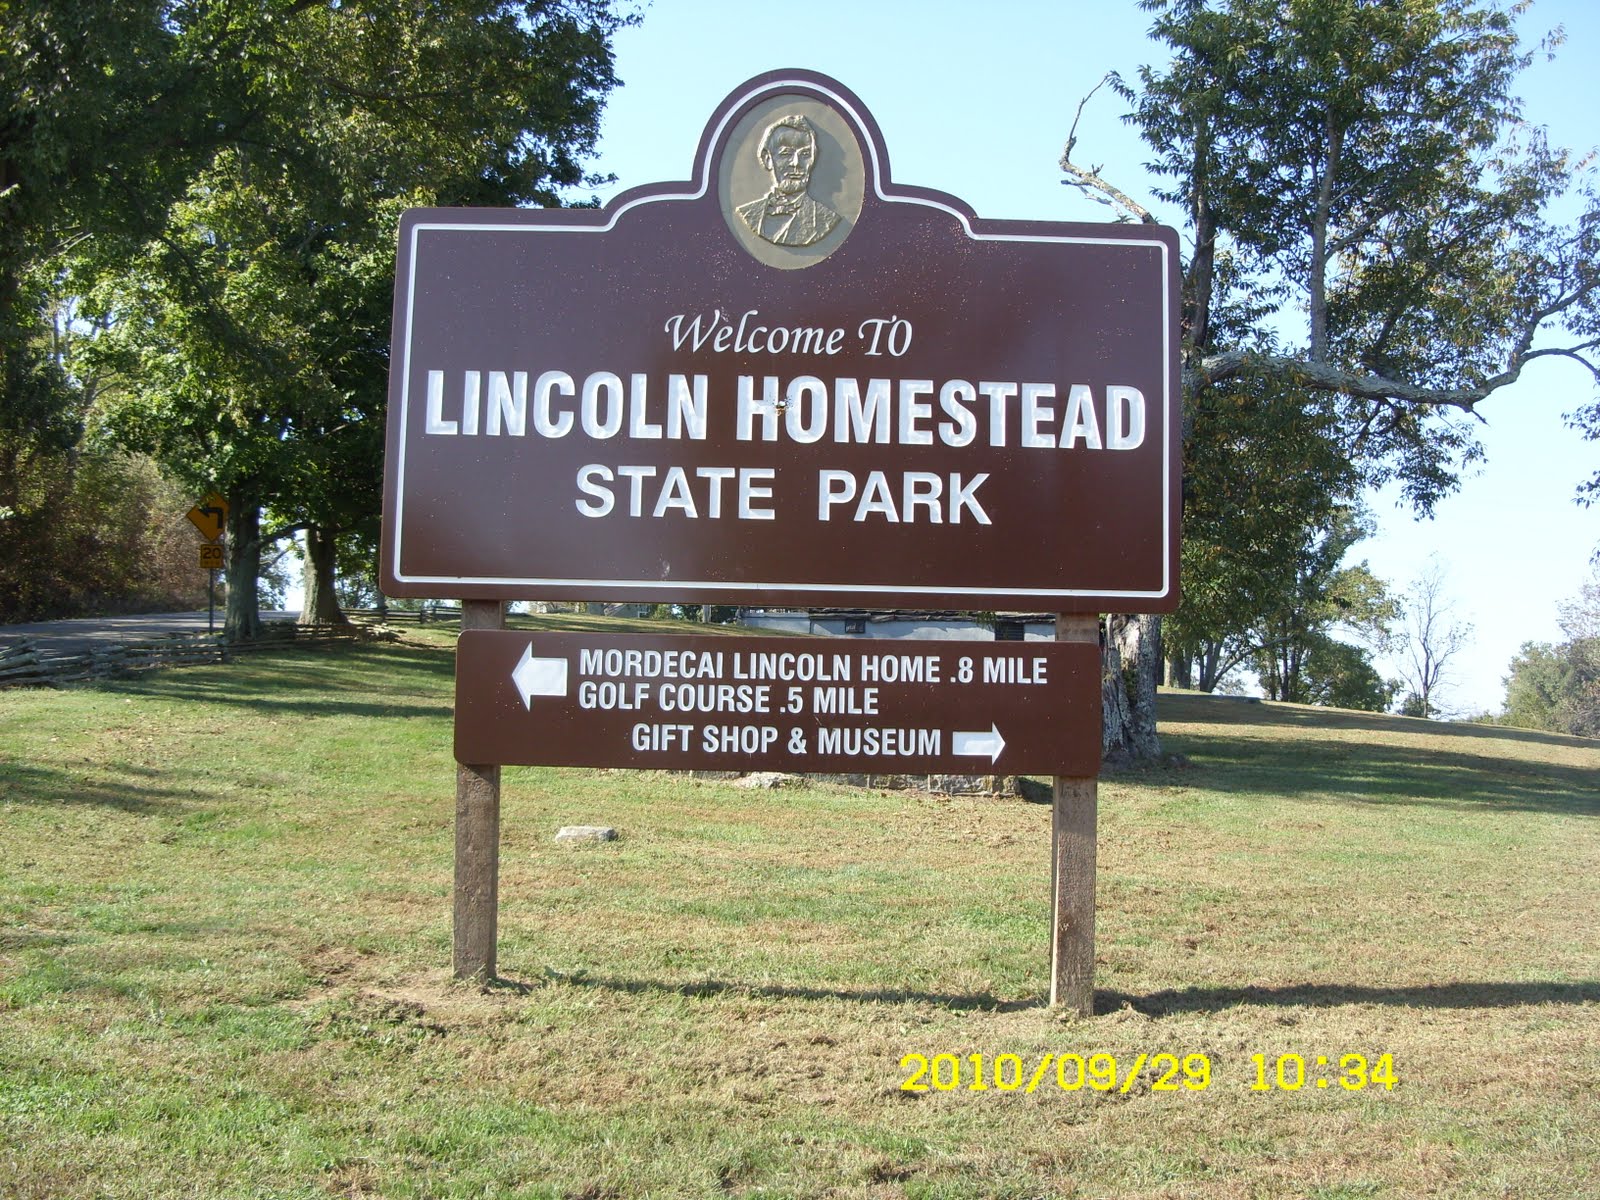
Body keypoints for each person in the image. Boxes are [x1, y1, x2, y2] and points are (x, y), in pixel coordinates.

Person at [735, 114, 841, 247]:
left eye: (805, 154)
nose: (796, 163)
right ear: (767, 159)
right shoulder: (748, 213)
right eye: (786, 154)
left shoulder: (825, 219)